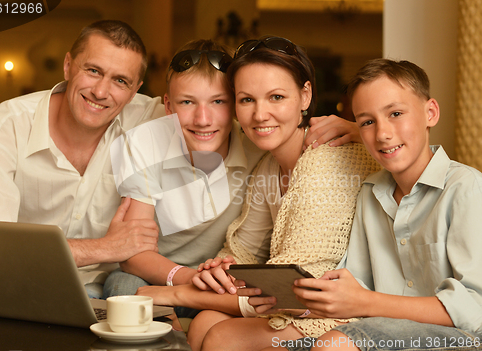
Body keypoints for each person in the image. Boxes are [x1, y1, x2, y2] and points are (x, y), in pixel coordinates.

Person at [135, 36, 380, 350]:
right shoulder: (268, 165)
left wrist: (175, 293)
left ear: (305, 96)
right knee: (204, 323)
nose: (260, 114)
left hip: (344, 309)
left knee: (222, 337)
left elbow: (292, 288)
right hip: (296, 301)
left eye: (276, 97)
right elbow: (245, 251)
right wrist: (222, 270)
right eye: (247, 99)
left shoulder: (324, 161)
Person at [102, 39, 361, 299]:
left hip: (220, 276)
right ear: (169, 106)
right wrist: (192, 279)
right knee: (122, 285)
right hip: (168, 274)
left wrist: (360, 129)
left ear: (234, 107)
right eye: (187, 102)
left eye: (218, 102)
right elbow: (132, 252)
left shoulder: (262, 144)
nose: (203, 120)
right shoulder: (148, 141)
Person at [279, 59, 482, 351]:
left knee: (335, 345)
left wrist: (364, 301)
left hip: (463, 336)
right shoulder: (370, 192)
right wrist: (300, 301)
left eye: (396, 113)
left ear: (430, 113)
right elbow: (357, 288)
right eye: (367, 122)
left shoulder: (466, 188)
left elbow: (474, 307)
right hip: (381, 329)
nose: (383, 133)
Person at [0, 20, 164, 298]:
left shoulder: (148, 117)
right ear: (68, 66)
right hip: (21, 286)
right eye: (93, 71)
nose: (101, 92)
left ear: (135, 90)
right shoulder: (4, 128)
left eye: (120, 81)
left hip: (107, 289)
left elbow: (214, 112)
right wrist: (108, 247)